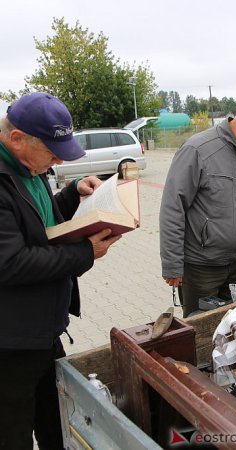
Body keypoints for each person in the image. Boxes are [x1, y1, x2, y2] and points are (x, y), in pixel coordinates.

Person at [0, 92, 121, 450]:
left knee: (59, 426)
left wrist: (72, 195)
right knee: (13, 434)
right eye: (52, 153)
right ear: (16, 138)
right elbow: (11, 262)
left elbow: (41, 223)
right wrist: (86, 252)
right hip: (11, 344)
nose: (55, 161)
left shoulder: (28, 168)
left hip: (42, 333)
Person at [160, 98, 236, 317]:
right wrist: (172, 265)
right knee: (201, 331)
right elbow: (172, 208)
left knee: (234, 326)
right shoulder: (197, 150)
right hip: (201, 268)